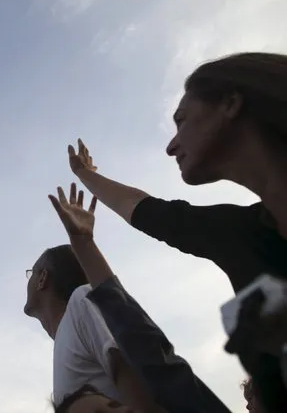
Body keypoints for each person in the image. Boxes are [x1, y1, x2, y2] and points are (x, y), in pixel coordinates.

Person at [65, 52, 287, 413]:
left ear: (230, 103)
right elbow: (144, 209)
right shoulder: (238, 233)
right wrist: (85, 176)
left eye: (181, 121)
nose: (171, 145)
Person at [47, 182, 231, 413]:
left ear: (43, 278)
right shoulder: (64, 342)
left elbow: (142, 346)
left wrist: (84, 244)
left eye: (112, 405)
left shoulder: (82, 302)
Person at [23, 243, 161, 411]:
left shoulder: (82, 301)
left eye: (30, 273)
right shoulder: (65, 336)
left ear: (43, 278)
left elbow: (128, 365)